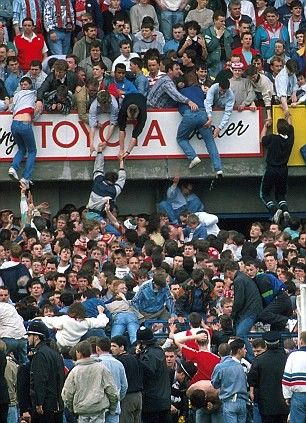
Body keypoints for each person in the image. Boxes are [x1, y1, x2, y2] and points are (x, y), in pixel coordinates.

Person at [62, 340, 119, 423]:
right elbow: (112, 391)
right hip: (98, 410)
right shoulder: (101, 368)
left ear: (78, 353)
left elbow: (67, 394)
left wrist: (72, 409)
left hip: (82, 410)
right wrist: (112, 408)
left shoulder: (75, 371)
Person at [223, 261, 263, 361]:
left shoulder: (239, 280)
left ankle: (253, 360)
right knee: (239, 334)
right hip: (250, 310)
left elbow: (239, 301)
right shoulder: (242, 277)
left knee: (240, 334)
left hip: (251, 311)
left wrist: (233, 315)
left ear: (228, 272)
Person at [26, 320, 65, 423]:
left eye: (29, 335)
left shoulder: (39, 354)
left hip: (45, 406)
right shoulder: (56, 354)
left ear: (37, 336)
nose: (28, 338)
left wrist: (39, 402)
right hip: (57, 404)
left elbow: (40, 380)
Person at [248, 331, 289, 423]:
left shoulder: (259, 360)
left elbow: (252, 379)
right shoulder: (287, 358)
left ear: (265, 344)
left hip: (266, 403)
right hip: (284, 402)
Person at [260, 118, 294, 224]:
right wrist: (287, 113)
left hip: (271, 169)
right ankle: (285, 210)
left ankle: (275, 211)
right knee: (280, 195)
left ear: (277, 129)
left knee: (264, 194)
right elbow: (290, 125)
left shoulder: (273, 138)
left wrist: (265, 126)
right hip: (283, 170)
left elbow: (262, 140)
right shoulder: (290, 139)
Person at [135, 327, 171, 422]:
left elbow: (146, 373)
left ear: (141, 343)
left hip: (151, 402)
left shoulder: (148, 356)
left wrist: (137, 356)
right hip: (164, 400)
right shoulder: (159, 351)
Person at [8, 76, 37, 189]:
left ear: (29, 85)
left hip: (14, 124)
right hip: (25, 124)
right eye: (23, 84)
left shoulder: (16, 95)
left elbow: (11, 108)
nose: (24, 86)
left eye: (25, 84)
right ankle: (26, 177)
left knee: (21, 149)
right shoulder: (32, 93)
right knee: (32, 151)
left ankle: (13, 167)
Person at [211, 338, 249, 423]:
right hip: (242, 401)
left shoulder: (220, 366)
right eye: (244, 348)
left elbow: (214, 384)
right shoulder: (242, 366)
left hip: (229, 401)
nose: (246, 351)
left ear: (219, 353)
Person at [86, 142, 126, 221]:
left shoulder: (98, 180)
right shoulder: (114, 190)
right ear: (115, 181)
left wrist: (100, 150)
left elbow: (98, 166)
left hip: (87, 215)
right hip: (99, 218)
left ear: (105, 177)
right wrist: (121, 161)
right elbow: (122, 179)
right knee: (116, 232)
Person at [110, 335, 143, 423]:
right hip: (138, 396)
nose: (111, 348)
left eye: (114, 346)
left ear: (122, 347)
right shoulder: (134, 358)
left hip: (127, 397)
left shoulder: (119, 362)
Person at [96, 337, 128, 423]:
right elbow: (124, 386)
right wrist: (117, 399)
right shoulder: (119, 364)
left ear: (97, 348)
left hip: (99, 406)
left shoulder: (96, 364)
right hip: (114, 406)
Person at [282, 331, 306, 423]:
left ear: (300, 341)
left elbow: (287, 378)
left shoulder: (293, 356)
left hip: (298, 396)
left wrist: (287, 396)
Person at [116, 93, 147, 158]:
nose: (131, 120)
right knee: (121, 125)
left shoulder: (143, 114)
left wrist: (128, 152)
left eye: (133, 118)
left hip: (141, 98)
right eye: (130, 118)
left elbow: (135, 136)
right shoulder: (123, 110)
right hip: (128, 97)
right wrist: (121, 150)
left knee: (137, 131)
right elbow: (121, 130)